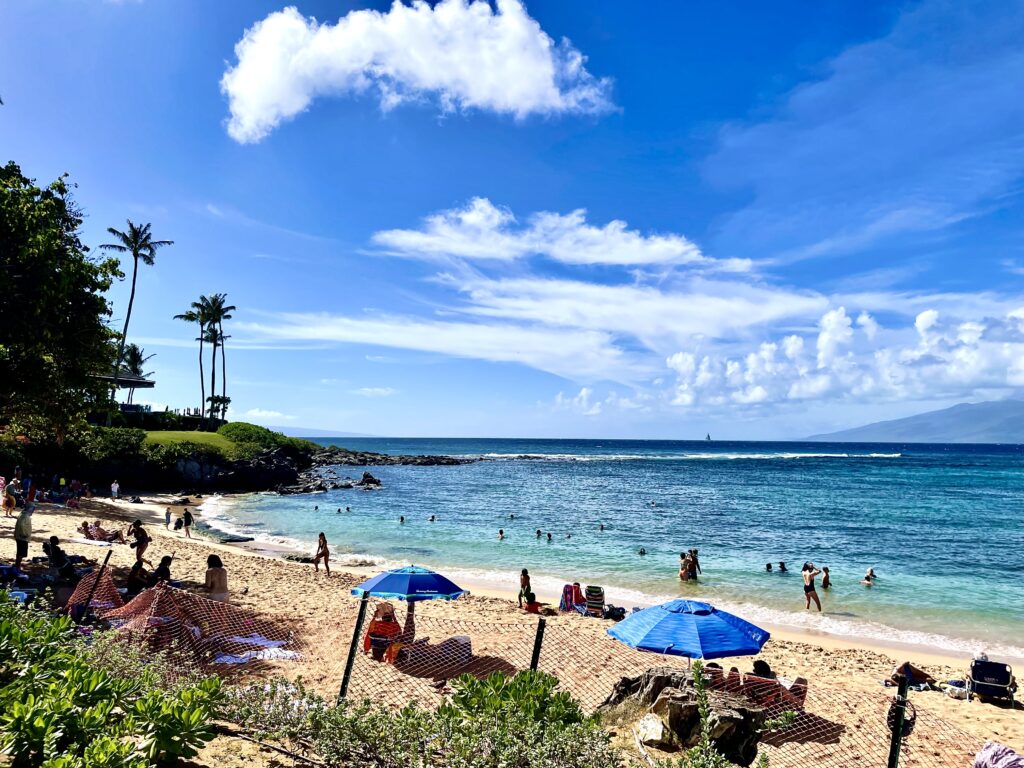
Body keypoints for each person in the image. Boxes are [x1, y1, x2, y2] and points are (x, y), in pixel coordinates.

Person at [14, 503, 34, 568]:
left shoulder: (22, 514)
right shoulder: (26, 516)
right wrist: (24, 534)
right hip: (22, 537)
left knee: (19, 551)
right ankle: (17, 565)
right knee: (21, 552)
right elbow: (21, 525)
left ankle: (17, 564)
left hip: (19, 536)